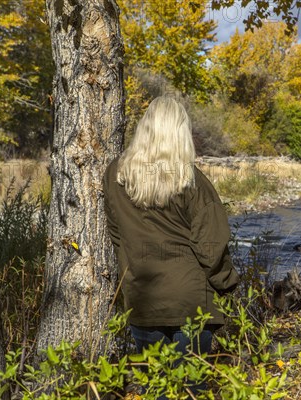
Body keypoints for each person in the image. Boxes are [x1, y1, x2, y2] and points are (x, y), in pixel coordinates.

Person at [102, 96, 239, 396]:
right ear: (180, 133)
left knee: (156, 388)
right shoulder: (192, 181)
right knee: (191, 389)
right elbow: (211, 246)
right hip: (191, 303)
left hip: (142, 299)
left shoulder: (115, 175)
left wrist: (129, 278)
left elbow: (117, 236)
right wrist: (229, 286)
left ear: (145, 128)